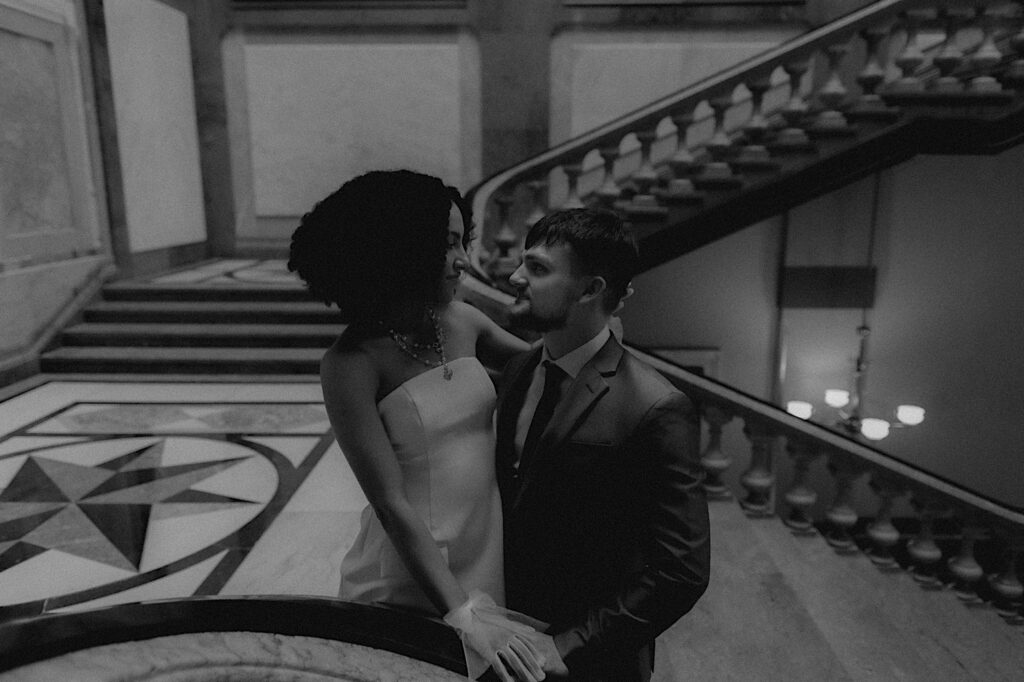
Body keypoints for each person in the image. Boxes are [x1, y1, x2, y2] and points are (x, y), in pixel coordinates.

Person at [288, 169, 545, 682]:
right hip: (409, 575)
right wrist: (462, 612)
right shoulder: (350, 364)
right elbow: (390, 503)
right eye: (449, 245)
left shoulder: (461, 320)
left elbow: (549, 367)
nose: (463, 262)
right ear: (400, 252)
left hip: (483, 546)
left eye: (462, 242)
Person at [495, 207, 711, 682]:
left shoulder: (656, 405)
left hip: (595, 665)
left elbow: (681, 571)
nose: (514, 277)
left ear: (591, 289)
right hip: (506, 643)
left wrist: (569, 647)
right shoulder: (518, 373)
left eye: (537, 268)